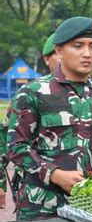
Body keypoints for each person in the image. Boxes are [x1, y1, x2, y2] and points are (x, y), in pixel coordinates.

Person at [7, 17, 92, 220]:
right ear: (59, 51)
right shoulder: (34, 93)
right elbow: (16, 147)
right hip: (41, 209)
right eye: (78, 46)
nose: (87, 54)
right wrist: (55, 174)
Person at [0, 33, 61, 210]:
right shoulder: (29, 94)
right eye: (58, 52)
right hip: (37, 198)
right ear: (47, 58)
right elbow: (5, 140)